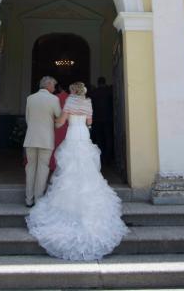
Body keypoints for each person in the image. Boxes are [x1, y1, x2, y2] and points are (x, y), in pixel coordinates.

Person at [26, 81, 128, 261]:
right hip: (84, 135)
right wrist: (84, 124)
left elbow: (61, 122)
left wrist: (54, 122)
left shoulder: (70, 102)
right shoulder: (88, 103)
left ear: (72, 90)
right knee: (87, 169)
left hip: (72, 134)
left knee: (68, 169)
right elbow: (90, 122)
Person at [23, 75, 61, 208]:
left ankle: (29, 199)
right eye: (53, 86)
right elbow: (58, 115)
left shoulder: (30, 98)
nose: (54, 88)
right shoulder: (54, 99)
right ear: (48, 85)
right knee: (43, 169)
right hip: (46, 139)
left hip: (31, 138)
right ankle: (38, 200)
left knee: (30, 168)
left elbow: (27, 119)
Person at [89, 76, 114, 163]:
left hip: (97, 119)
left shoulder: (93, 92)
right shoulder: (110, 91)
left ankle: (101, 157)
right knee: (109, 138)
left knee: (99, 139)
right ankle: (108, 158)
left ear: (98, 83)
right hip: (108, 118)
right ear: (105, 82)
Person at [49, 83, 69, 172]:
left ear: (59, 88)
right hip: (68, 126)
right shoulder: (71, 99)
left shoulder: (55, 97)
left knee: (55, 145)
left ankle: (53, 164)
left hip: (57, 124)